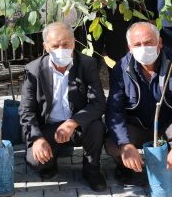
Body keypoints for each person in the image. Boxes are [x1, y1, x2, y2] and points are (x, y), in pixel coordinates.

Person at [105, 22, 172, 186]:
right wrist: (125, 144)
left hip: (167, 125)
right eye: (137, 44)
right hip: (136, 126)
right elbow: (114, 110)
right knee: (113, 145)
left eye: (149, 42)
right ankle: (126, 166)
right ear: (129, 48)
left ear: (160, 42)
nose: (144, 48)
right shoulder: (121, 68)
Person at [19, 22, 107, 191]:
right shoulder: (33, 70)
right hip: (48, 127)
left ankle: (91, 169)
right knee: (36, 161)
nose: (61, 49)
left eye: (66, 44)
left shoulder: (87, 64)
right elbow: (26, 110)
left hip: (77, 125)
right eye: (55, 45)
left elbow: (98, 102)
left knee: (97, 126)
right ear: (46, 47)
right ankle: (51, 163)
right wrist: (37, 138)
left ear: (74, 43)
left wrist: (73, 122)